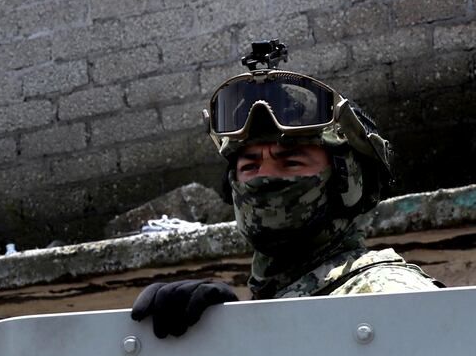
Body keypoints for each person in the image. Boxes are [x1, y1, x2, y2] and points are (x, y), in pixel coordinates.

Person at [131, 40, 441, 339]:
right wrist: (220, 336)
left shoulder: (387, 294)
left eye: (291, 162)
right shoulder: (280, 298)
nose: (264, 177)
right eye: (250, 165)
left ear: (347, 181)